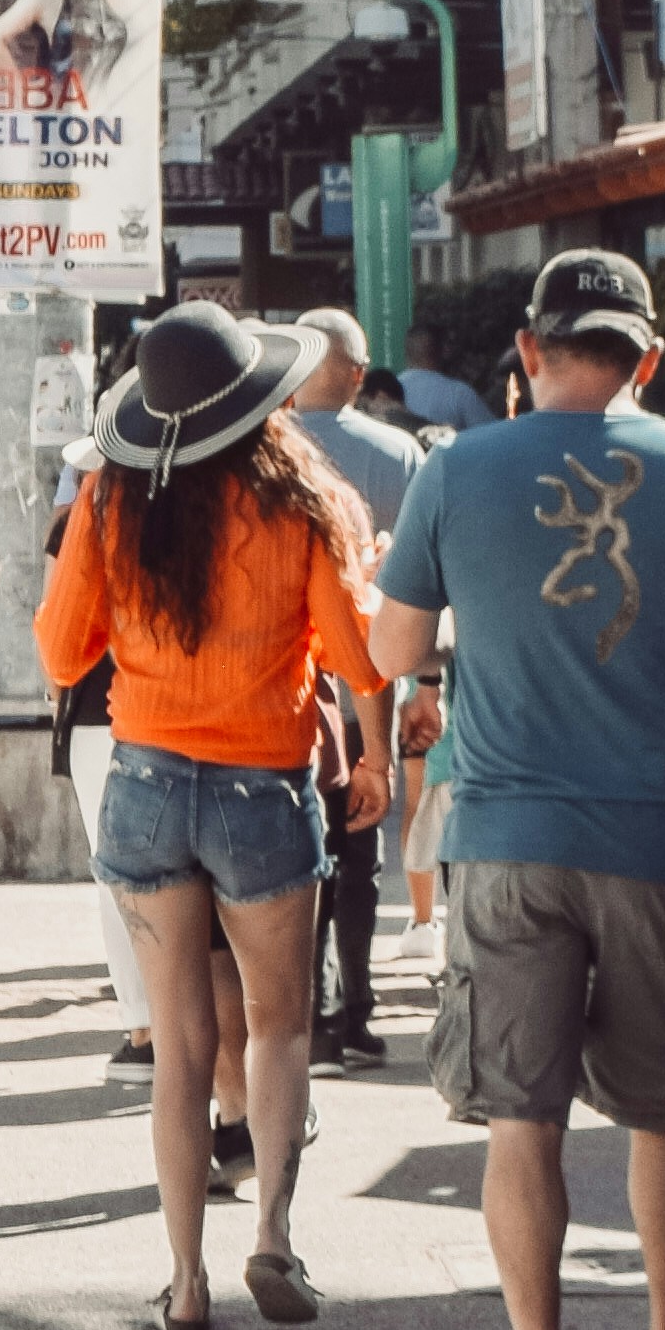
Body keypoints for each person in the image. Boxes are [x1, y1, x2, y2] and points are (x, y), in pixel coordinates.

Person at [363, 245, 665, 1330]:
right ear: (648, 357)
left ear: (527, 356)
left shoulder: (458, 468)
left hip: (504, 840)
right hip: (659, 835)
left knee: (518, 1117)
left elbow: (393, 649)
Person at [39, 305, 378, 1330]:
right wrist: (371, 754)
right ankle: (271, 1231)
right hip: (260, 788)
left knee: (182, 1051)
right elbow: (356, 656)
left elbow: (59, 654)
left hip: (141, 783)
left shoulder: (109, 503)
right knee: (276, 1028)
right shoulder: (308, 504)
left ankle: (184, 1282)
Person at [290, 309, 429, 1077]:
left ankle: (306, 1013)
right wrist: (425, 684)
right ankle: (359, 1011)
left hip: (295, 696)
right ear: (353, 371)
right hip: (370, 679)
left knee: (302, 857)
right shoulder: (399, 453)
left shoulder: (266, 450)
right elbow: (419, 583)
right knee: (359, 857)